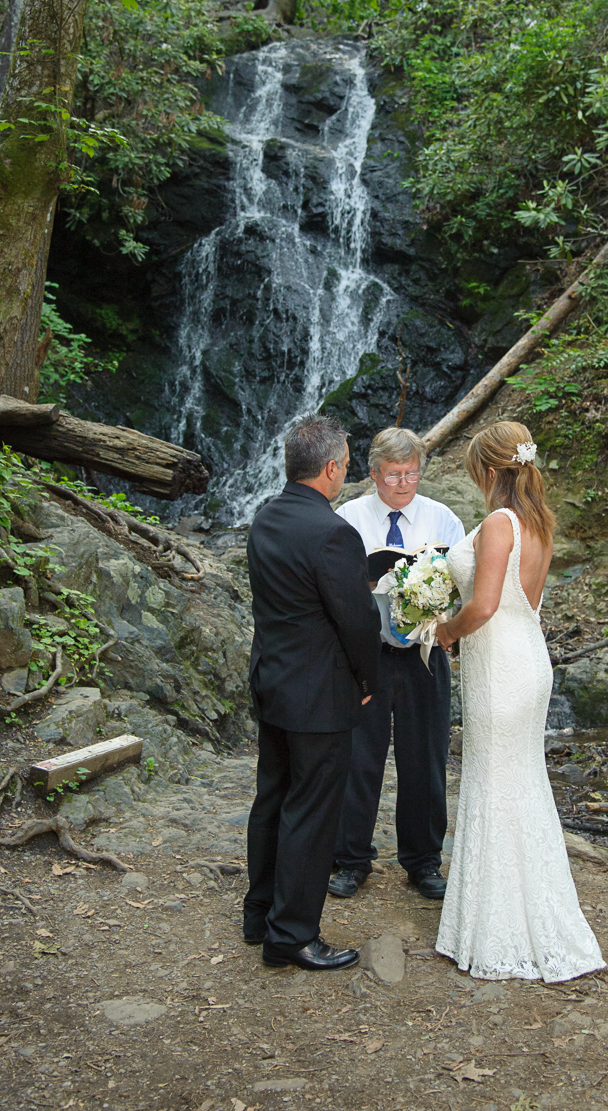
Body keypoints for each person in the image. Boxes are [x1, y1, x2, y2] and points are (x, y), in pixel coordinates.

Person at [434, 422, 605, 982]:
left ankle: (498, 929)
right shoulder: (540, 524)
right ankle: (528, 915)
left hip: (500, 665)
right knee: (521, 782)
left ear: (488, 472)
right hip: (528, 656)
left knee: (494, 782)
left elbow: (482, 606)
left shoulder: (499, 523)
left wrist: (443, 631)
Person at [243, 414, 381, 971]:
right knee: (312, 811)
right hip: (320, 696)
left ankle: (261, 916)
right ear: (329, 469)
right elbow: (357, 622)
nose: (346, 473)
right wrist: (367, 681)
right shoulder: (333, 533)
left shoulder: (265, 518)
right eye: (346, 466)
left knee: (272, 799)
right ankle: (292, 935)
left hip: (273, 683)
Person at [329, 427, 465, 901]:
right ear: (372, 474)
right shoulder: (348, 517)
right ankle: (350, 860)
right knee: (357, 759)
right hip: (365, 655)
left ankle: (424, 861)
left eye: (411, 475)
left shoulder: (442, 518)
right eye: (393, 475)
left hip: (424, 656)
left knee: (424, 760)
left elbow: (461, 583)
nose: (403, 484)